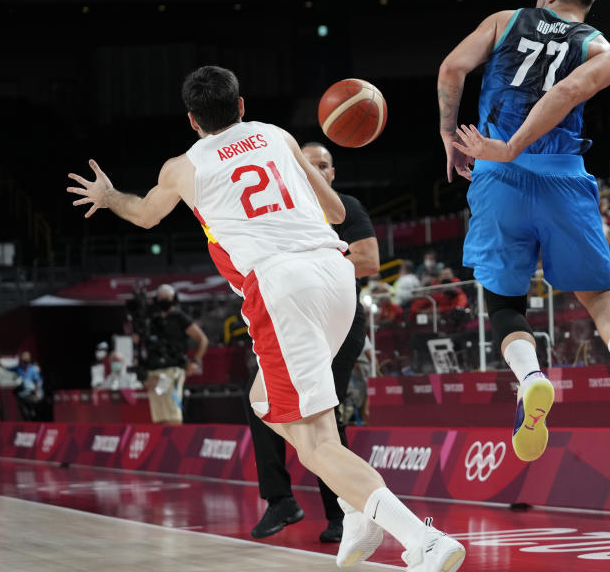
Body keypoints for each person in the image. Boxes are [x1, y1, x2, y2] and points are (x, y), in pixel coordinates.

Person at [67, 65, 464, 571]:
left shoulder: (182, 167)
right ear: (241, 106)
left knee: (317, 442)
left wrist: (107, 197)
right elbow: (339, 214)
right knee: (263, 401)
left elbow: (144, 214)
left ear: (192, 120)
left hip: (281, 288)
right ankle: (353, 503)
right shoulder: (276, 135)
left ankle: (421, 539)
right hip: (335, 273)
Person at [437, 0, 610, 463]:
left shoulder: (503, 20)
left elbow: (452, 68)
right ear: (586, 3)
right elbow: (567, 91)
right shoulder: (601, 49)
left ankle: (532, 379)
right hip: (561, 174)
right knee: (602, 295)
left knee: (504, 302)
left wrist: (452, 137)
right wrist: (520, 145)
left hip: (496, 172)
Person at [244, 141, 381, 543]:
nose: (317, 170)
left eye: (324, 165)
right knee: (259, 403)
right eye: (308, 164)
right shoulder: (280, 208)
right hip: (292, 317)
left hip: (339, 318)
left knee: (325, 411)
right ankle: (279, 499)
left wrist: (312, 266)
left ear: (332, 173)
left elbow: (370, 260)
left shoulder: (346, 207)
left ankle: (343, 514)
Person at [140, 284, 208, 424]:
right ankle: (162, 444)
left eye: (167, 297)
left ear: (173, 299)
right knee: (158, 417)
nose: (164, 300)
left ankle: (174, 443)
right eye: (161, 297)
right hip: (154, 372)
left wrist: (195, 361)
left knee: (172, 415)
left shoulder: (180, 317)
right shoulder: (154, 320)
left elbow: (202, 339)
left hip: (172, 371)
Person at [0, 351, 43, 421]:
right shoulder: (18, 368)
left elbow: (37, 382)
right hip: (21, 394)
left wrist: (36, 392)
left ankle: (33, 413)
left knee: (33, 409)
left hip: (31, 393)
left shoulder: (33, 370)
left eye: (27, 359)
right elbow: (6, 367)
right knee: (24, 412)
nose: (25, 363)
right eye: (24, 360)